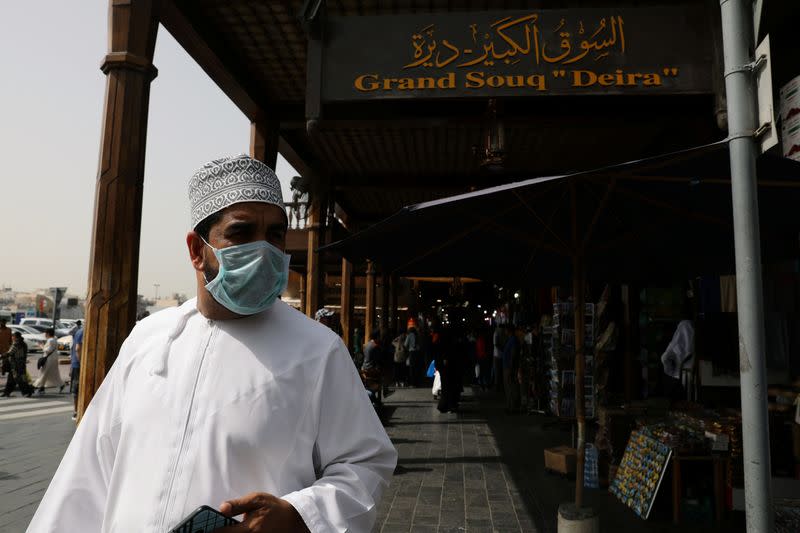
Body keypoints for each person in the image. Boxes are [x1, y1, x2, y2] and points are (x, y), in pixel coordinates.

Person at [29, 154, 397, 533]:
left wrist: (300, 514)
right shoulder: (149, 338)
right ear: (196, 250)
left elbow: (364, 463)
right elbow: (88, 472)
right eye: (241, 233)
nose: (265, 249)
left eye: (274, 234)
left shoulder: (318, 349)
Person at [33, 328, 65, 395]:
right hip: (53, 359)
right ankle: (61, 384)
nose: (45, 335)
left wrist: (41, 346)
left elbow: (48, 350)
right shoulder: (55, 340)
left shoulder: (50, 340)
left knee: (44, 373)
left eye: (45, 333)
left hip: (49, 359)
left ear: (48, 333)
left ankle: (40, 387)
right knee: (53, 374)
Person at [2, 332, 33, 397]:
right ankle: (7, 392)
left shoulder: (16, 344)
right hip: (20, 364)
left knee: (19, 379)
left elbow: (9, 353)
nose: (12, 338)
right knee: (12, 378)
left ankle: (27, 392)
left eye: (12, 336)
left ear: (15, 337)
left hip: (16, 365)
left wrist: (2, 356)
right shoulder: (24, 343)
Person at [502, 324, 521, 413]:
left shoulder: (513, 340)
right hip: (508, 366)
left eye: (506, 330)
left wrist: (510, 366)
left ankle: (512, 407)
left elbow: (513, 354)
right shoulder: (511, 339)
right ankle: (510, 406)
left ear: (509, 331)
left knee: (510, 386)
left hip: (510, 367)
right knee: (510, 386)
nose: (505, 332)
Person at [69, 321, 84, 420]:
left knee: (77, 388)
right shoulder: (83, 332)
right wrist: (82, 362)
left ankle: (77, 410)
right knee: (78, 388)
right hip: (79, 365)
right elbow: (78, 348)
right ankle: (76, 411)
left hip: (76, 364)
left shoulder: (79, 331)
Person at [492, 324, 506, 393]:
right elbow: (496, 344)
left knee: (500, 372)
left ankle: (500, 387)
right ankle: (497, 388)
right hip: (497, 356)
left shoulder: (502, 333)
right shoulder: (496, 333)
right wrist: (503, 349)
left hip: (501, 355)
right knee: (498, 372)